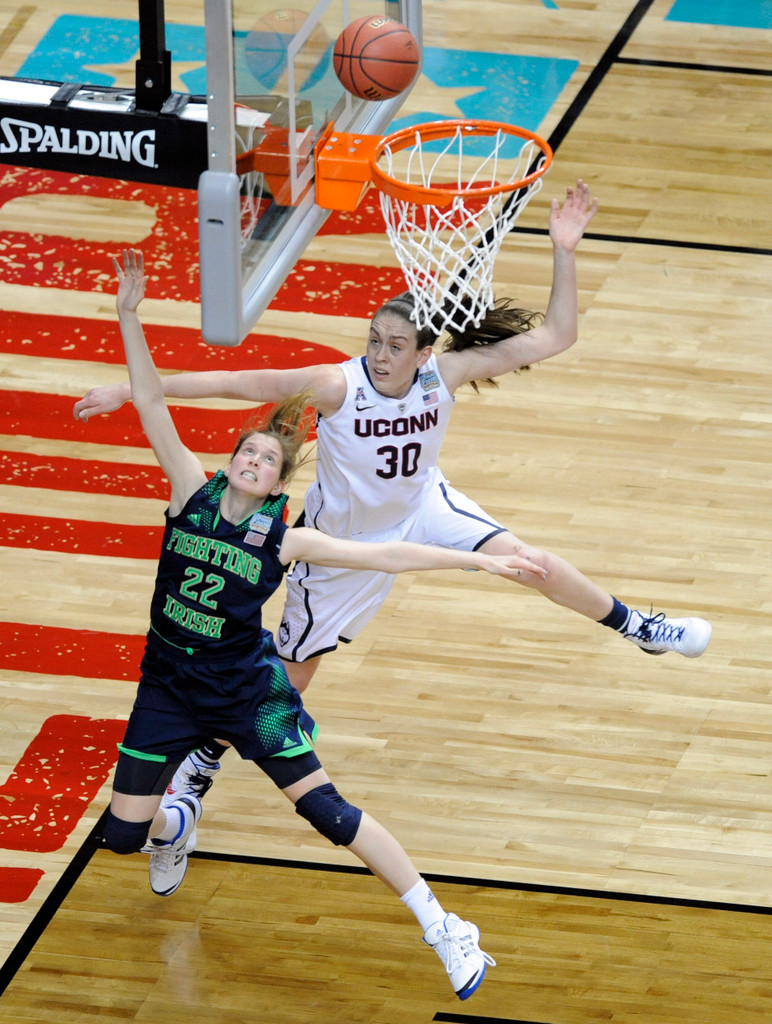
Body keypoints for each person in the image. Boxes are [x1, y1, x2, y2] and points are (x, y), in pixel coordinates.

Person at [75, 181, 711, 803]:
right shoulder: (336, 385)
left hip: (423, 505)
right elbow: (239, 381)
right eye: (375, 340)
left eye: (396, 345)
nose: (380, 355)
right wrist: (132, 392)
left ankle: (639, 627)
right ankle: (203, 760)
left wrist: (564, 250)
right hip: (341, 544)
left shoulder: (445, 373)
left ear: (424, 350)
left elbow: (555, 337)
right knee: (293, 677)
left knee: (530, 563)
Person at [102, 249, 563, 998]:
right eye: (244, 453)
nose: (251, 461)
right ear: (227, 464)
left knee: (327, 810)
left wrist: (479, 562)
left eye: (264, 461)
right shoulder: (189, 488)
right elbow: (153, 403)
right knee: (124, 834)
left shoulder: (288, 538)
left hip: (249, 696)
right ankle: (174, 828)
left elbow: (386, 555)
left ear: (279, 482)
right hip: (166, 686)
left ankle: (445, 926)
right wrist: (130, 316)